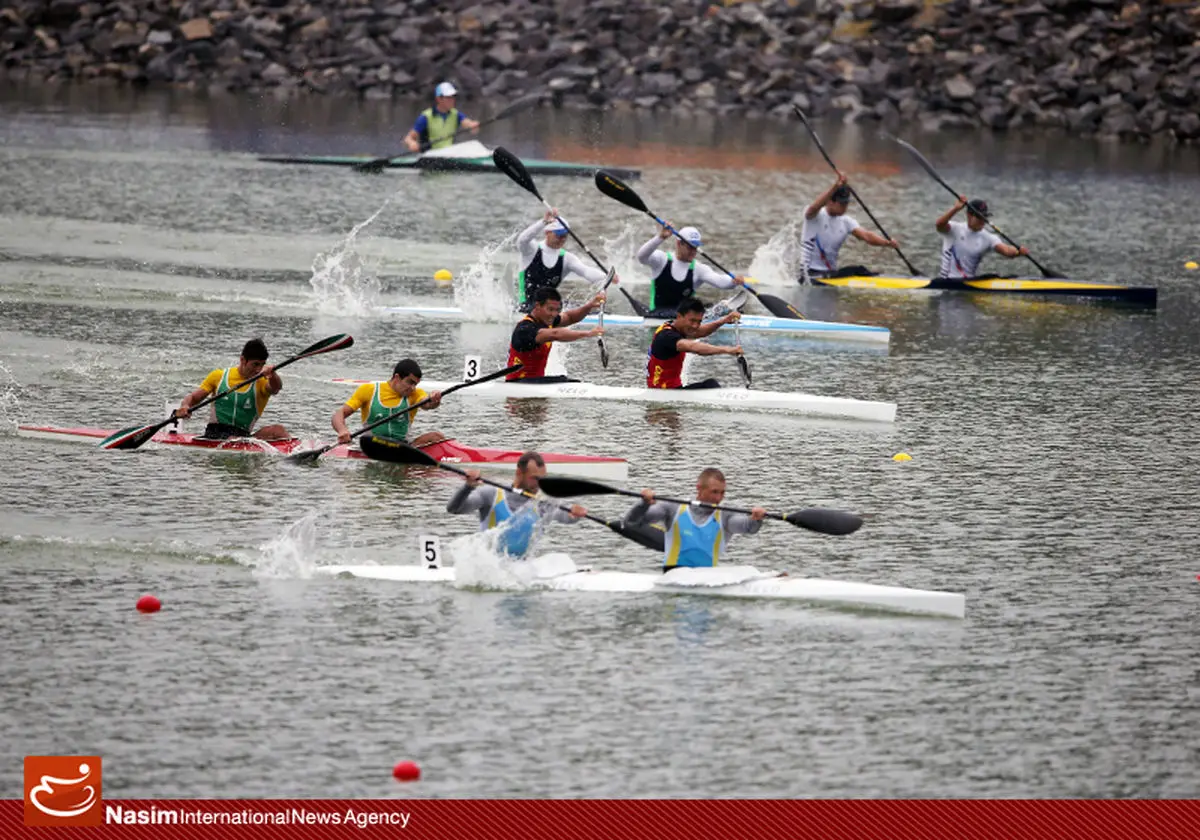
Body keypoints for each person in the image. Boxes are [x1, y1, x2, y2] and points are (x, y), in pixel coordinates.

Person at [447, 452, 587, 558]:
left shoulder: (542, 502)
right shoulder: (491, 494)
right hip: (490, 567)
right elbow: (454, 509)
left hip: (522, 570)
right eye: (534, 478)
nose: (539, 484)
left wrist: (573, 514)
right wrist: (468, 487)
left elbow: (561, 514)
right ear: (519, 472)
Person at [623, 468, 766, 570]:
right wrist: (643, 504)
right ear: (699, 488)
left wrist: (756, 519)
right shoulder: (673, 508)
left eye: (722, 493)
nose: (718, 498)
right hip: (674, 577)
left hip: (707, 580)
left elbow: (748, 527)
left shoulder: (725, 516)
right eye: (714, 492)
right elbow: (632, 522)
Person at [176, 338, 287, 441]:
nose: (258, 369)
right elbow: (193, 398)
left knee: (278, 430)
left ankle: (296, 454)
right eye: (255, 364)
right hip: (214, 434)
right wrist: (185, 406)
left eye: (262, 364)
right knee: (233, 438)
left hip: (242, 437)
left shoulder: (262, 381)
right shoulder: (218, 376)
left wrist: (273, 375)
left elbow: (276, 388)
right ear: (243, 360)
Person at [636, 223, 748, 318]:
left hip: (683, 319)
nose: (694, 251)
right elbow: (641, 257)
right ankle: (716, 312)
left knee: (696, 308)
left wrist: (733, 281)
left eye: (696, 247)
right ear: (679, 244)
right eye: (690, 247)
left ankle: (716, 312)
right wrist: (660, 238)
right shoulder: (662, 260)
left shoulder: (698, 269)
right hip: (658, 314)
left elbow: (720, 281)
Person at [800, 174, 900, 279]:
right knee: (856, 270)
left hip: (830, 274)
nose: (845, 208)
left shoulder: (846, 221)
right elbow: (814, 206)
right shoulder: (814, 215)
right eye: (842, 204)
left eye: (846, 204)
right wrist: (835, 186)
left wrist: (887, 243)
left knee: (860, 270)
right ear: (830, 201)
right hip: (809, 274)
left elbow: (867, 236)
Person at [331, 358, 444, 448]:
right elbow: (339, 414)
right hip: (372, 444)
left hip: (403, 447)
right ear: (397, 377)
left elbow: (427, 404)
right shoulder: (369, 390)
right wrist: (342, 430)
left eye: (416, 384)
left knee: (436, 436)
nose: (413, 388)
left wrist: (434, 400)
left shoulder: (415, 394)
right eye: (410, 382)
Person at [515, 209, 611, 311]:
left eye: (565, 235)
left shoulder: (566, 258)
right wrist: (543, 222)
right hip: (526, 307)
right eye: (559, 235)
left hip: (550, 309)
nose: (562, 239)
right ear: (547, 232)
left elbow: (586, 271)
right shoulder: (531, 250)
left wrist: (607, 277)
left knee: (580, 306)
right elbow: (522, 240)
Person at [506, 287, 605, 382]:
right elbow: (555, 334)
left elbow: (570, 317)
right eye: (550, 309)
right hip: (518, 383)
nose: (554, 314)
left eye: (557, 310)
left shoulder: (547, 320)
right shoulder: (525, 329)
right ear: (537, 306)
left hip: (536, 382)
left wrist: (590, 305)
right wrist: (588, 334)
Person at [646, 298, 744, 390]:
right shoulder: (666, 336)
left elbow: (701, 332)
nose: (695, 326)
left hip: (672, 389)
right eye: (692, 321)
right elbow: (694, 347)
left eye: (699, 322)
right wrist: (728, 350)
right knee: (711, 384)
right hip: (663, 391)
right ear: (679, 316)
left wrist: (724, 320)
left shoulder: (674, 327)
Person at [936, 196, 1029, 278]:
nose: (983, 221)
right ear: (969, 215)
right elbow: (939, 224)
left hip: (968, 285)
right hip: (946, 282)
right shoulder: (954, 229)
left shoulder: (988, 237)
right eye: (979, 217)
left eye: (985, 217)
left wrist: (1018, 252)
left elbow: (1007, 251)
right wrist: (955, 209)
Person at [403, 82, 480, 153]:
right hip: (429, 157)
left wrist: (473, 125)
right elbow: (408, 139)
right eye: (448, 97)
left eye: (453, 97)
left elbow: (467, 123)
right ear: (439, 99)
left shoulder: (456, 114)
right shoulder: (426, 117)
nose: (452, 100)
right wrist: (412, 144)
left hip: (448, 155)